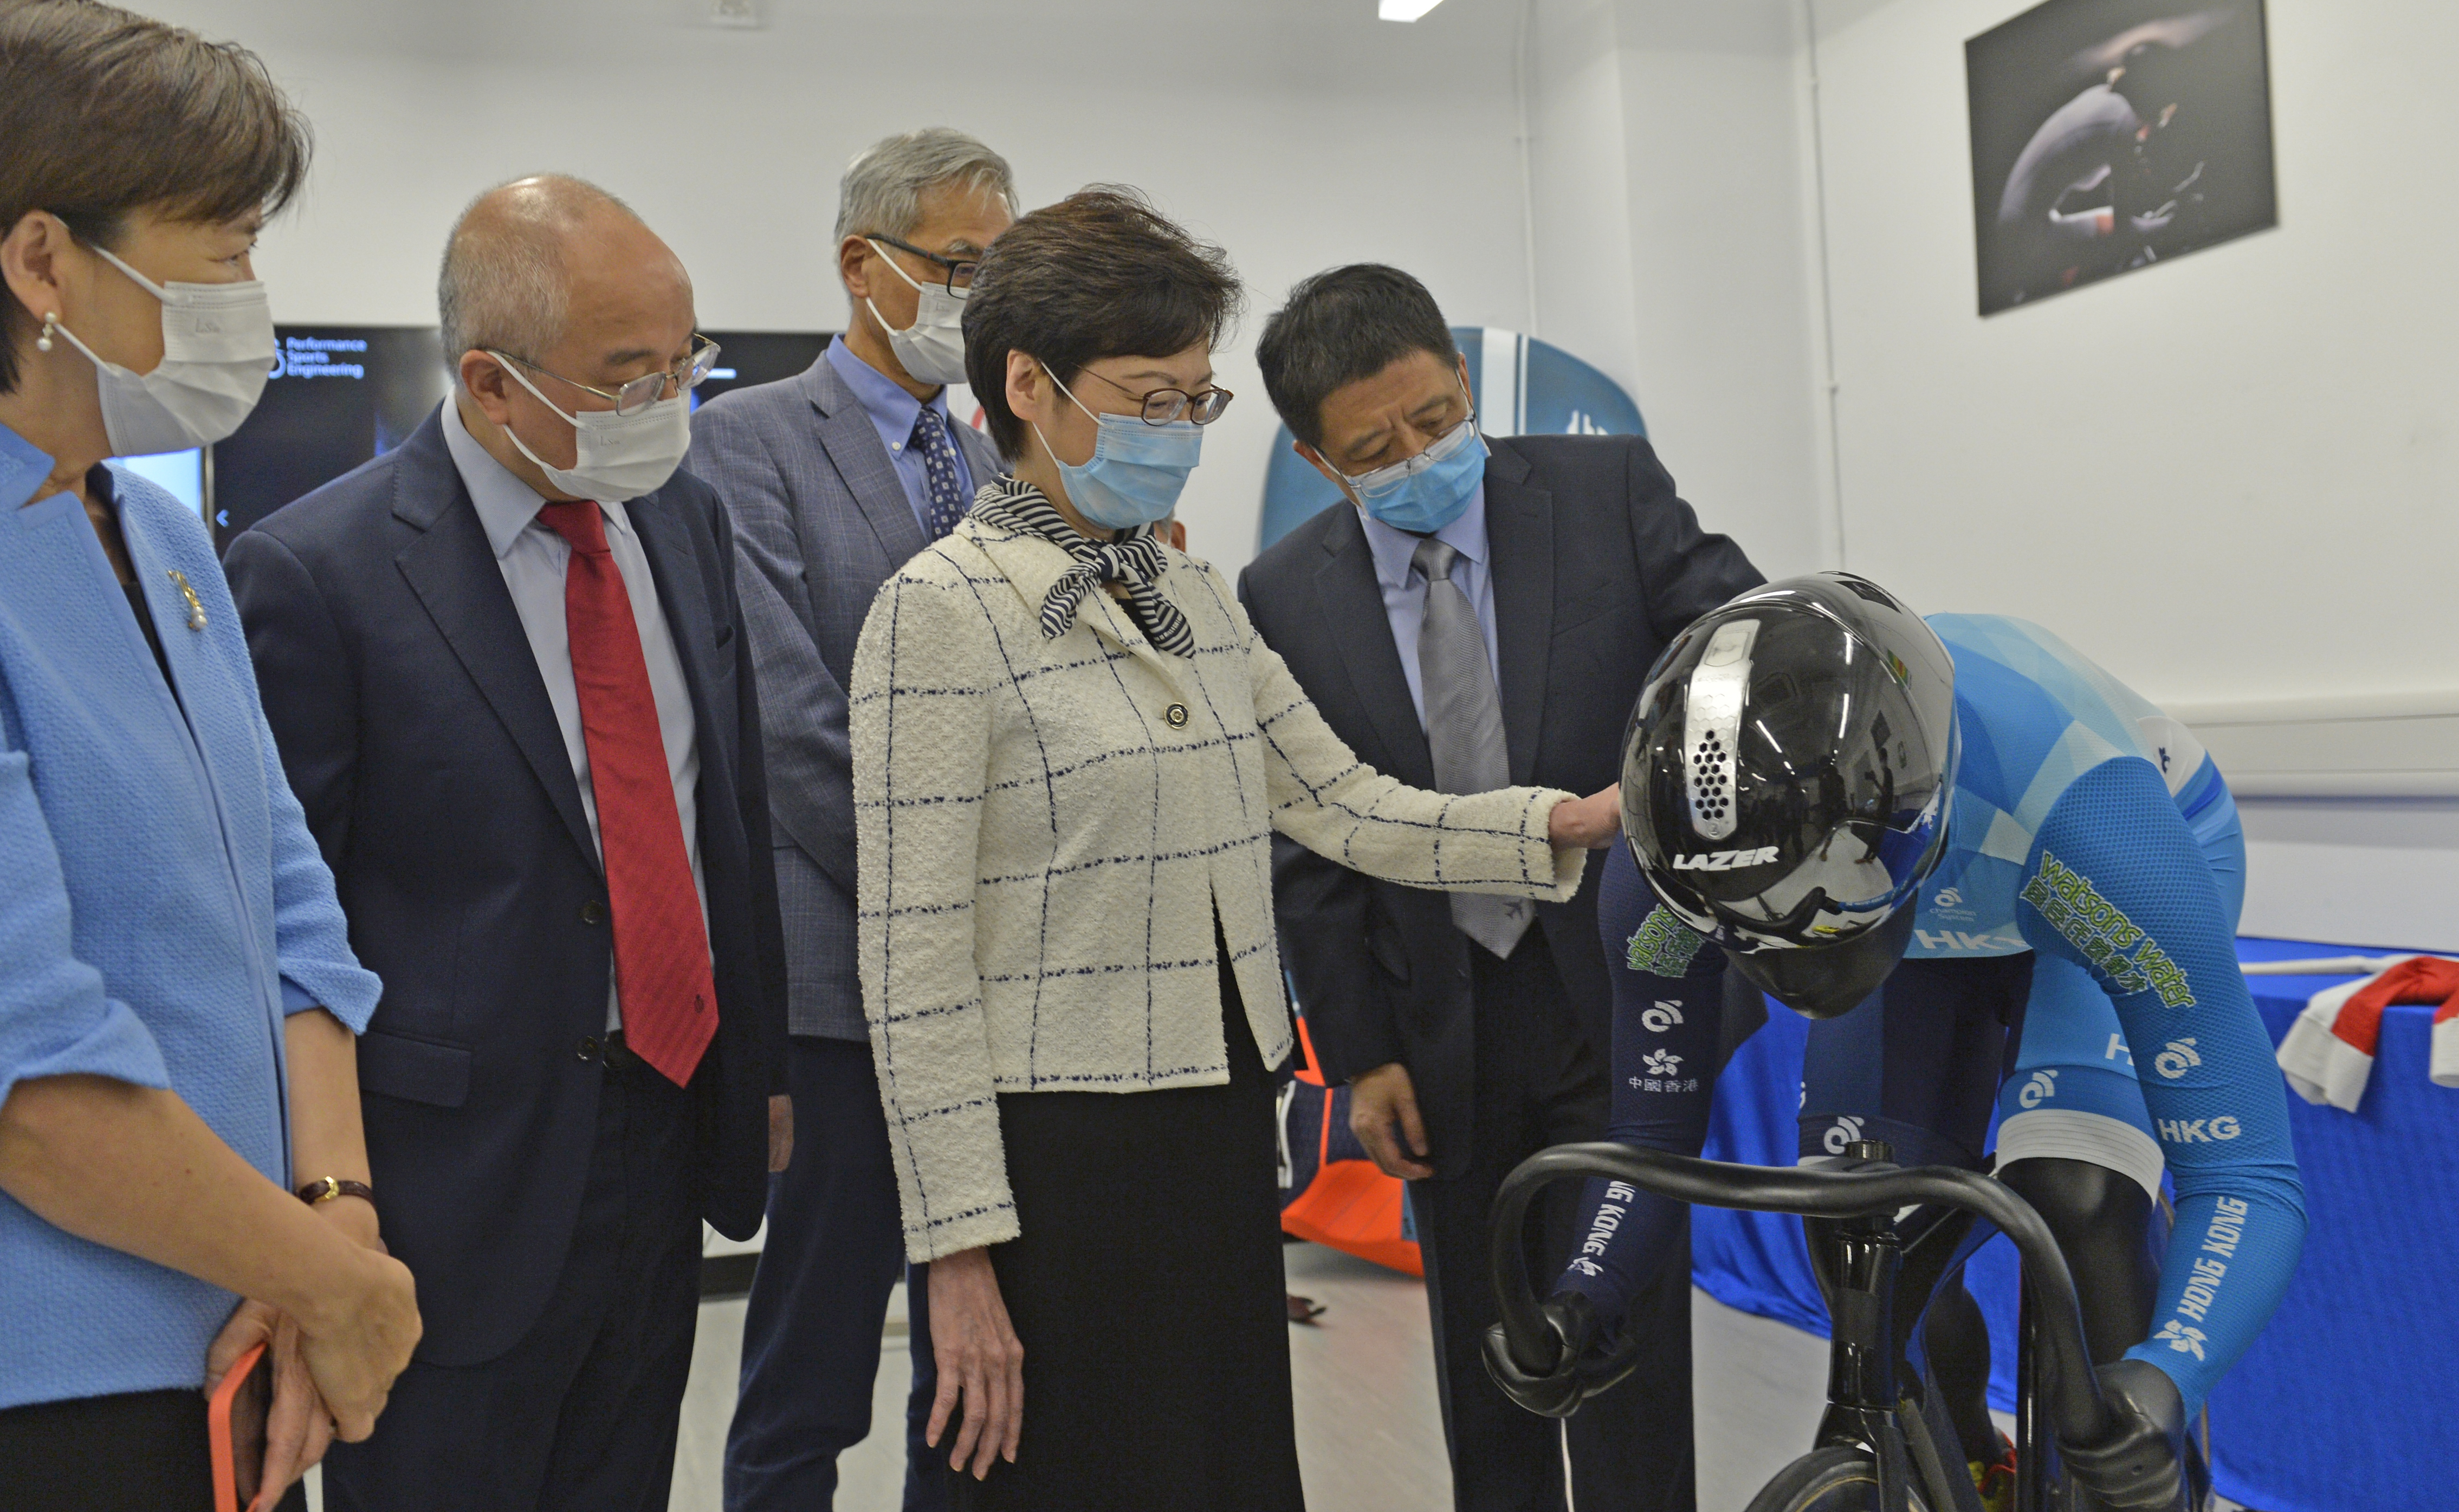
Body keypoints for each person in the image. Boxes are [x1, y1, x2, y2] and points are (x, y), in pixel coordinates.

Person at [850, 189, 1625, 1510]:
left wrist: (1563, 820)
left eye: (1193, 401)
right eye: (1147, 400)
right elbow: (912, 964)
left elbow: (1348, 804)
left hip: (1215, 1124)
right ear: (1028, 386)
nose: (1176, 435)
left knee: (1221, 1463)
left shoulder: (1193, 598)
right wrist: (956, 1253)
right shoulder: (939, 613)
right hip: (1055, 1157)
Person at [0, 0, 417, 1508]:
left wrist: (333, 1214)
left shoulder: (156, 537)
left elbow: (291, 912)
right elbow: (7, 1068)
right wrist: (329, 1283)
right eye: (224, 250)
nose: (250, 295)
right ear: (41, 260)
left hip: (232, 1331)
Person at [224, 176, 791, 1512]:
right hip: (450, 1183)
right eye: (631, 375)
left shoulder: (683, 518)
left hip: (664, 1126)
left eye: (687, 360)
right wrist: (308, 1203)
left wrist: (755, 1067)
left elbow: (725, 809)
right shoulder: (318, 572)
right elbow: (278, 923)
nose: (673, 400)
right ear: (490, 381)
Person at [1509, 576, 2304, 1512]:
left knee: (2080, 1201)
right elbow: (1650, 1134)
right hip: (1913, 911)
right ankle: (1970, 1463)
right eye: (1756, 935)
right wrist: (1587, 1294)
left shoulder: (2093, 821)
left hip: (2068, 870)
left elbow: (2246, 1176)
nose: (1792, 968)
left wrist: (2169, 1373)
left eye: (1817, 923)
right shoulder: (1669, 872)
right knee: (1857, 1231)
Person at [1237, 264, 1761, 1512]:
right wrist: (1359, 1054)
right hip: (1438, 1022)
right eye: (1375, 449)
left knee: (1628, 1336)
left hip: (1624, 985)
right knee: (1490, 1350)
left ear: (1462, 381)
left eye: (1433, 418)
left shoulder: (1603, 490)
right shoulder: (1282, 594)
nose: (1417, 456)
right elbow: (1308, 845)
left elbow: (1741, 650)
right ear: (1317, 460)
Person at [684, 127, 1015, 1511]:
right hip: (842, 980)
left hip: (999, 987)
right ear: (860, 263)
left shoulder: (1001, 465)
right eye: (959, 264)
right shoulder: (744, 439)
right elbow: (784, 720)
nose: (979, 296)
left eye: (1001, 268)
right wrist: (947, 887)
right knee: (813, 1358)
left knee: (979, 1368)